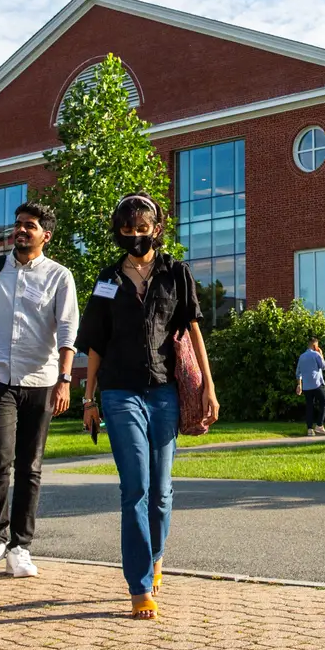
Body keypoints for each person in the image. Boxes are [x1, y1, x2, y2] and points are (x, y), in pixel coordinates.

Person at [78, 192, 219, 619]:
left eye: (143, 229)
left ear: (157, 229)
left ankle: (157, 557)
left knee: (161, 490)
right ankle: (139, 586)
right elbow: (96, 344)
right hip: (119, 392)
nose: (136, 236)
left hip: (163, 392)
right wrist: (89, 397)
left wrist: (209, 387)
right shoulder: (106, 280)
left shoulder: (176, 273)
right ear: (118, 232)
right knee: (134, 488)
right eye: (128, 230)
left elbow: (193, 332)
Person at [0, 200, 79, 580]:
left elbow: (67, 331)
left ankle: (21, 547)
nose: (21, 230)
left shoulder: (59, 276)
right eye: (18, 224)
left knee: (30, 466)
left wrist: (64, 379)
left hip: (42, 382)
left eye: (30, 225)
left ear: (46, 235)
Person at [295, 337, 325, 436]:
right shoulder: (316, 354)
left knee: (309, 406)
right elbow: (323, 366)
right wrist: (321, 355)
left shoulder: (302, 356)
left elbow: (298, 373)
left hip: (306, 386)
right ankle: (319, 425)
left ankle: (310, 429)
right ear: (315, 345)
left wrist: (299, 385)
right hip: (317, 384)